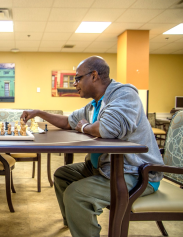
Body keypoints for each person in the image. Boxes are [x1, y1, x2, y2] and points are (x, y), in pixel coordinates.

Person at [20, 56, 164, 237]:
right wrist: (39, 112)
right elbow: (68, 122)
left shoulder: (124, 94)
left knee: (76, 194)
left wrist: (85, 127)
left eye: (78, 78)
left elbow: (107, 128)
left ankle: (82, 224)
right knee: (62, 175)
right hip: (104, 168)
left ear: (94, 76)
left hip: (135, 172)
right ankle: (76, 223)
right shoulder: (95, 103)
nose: (75, 83)